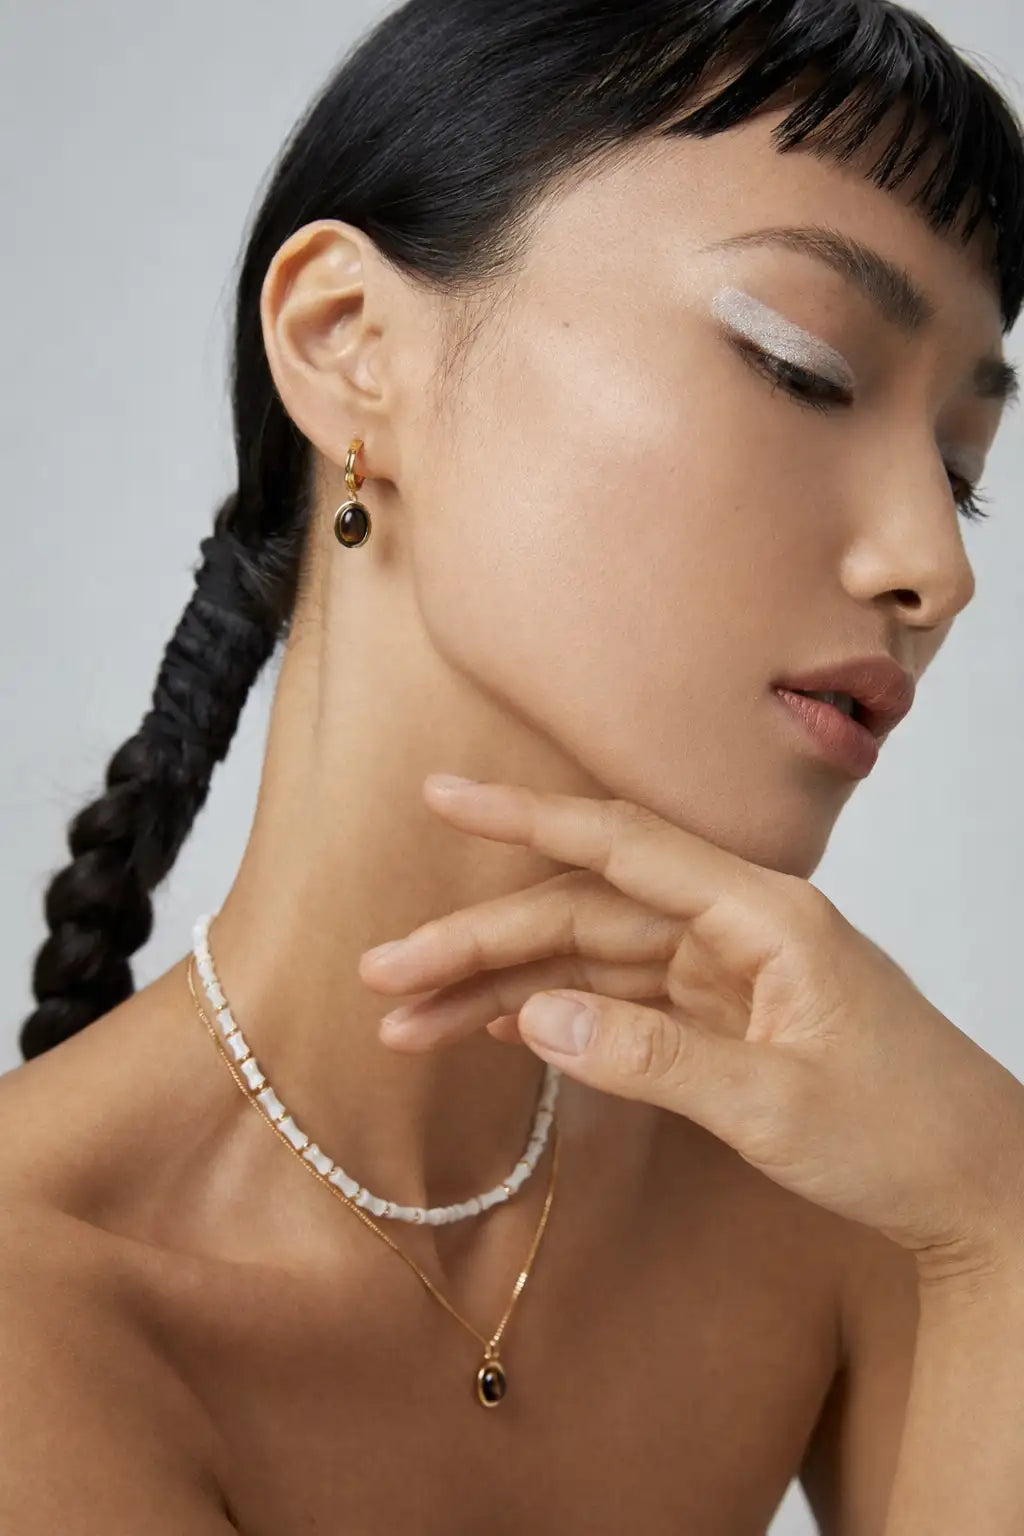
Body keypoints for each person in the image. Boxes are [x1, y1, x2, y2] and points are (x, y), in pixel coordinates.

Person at [4, 0, 1023, 1530]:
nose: (933, 566)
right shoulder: (42, 1310)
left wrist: (998, 1216)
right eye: (803, 367)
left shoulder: (861, 1176)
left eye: (962, 472)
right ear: (350, 347)